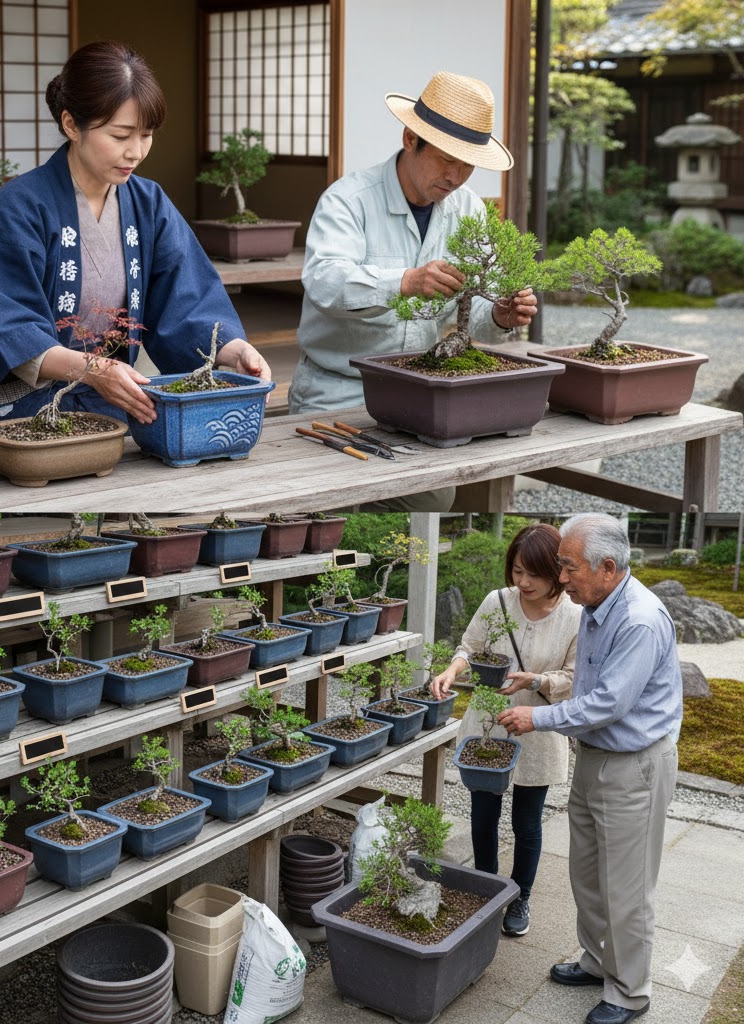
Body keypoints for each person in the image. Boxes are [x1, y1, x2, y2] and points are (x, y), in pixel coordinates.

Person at [0, 39, 271, 457]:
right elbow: (9, 324)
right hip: (14, 410)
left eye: (146, 135)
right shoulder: (18, 208)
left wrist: (232, 352)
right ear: (71, 124)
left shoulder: (148, 204)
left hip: (103, 403)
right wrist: (92, 369)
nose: (136, 151)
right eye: (120, 135)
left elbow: (188, 300)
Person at [288, 71, 538, 511]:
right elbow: (325, 281)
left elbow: (471, 313)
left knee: (433, 497)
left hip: (417, 393)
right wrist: (404, 281)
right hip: (336, 390)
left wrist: (500, 315)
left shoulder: (467, 209)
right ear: (410, 139)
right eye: (445, 160)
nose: (455, 176)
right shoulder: (348, 199)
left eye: (467, 165)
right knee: (327, 506)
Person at [498, 513, 682, 1024]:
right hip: (596, 757)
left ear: (607, 567)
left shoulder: (639, 619)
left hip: (635, 767)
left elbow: (608, 703)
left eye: (569, 567)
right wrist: (540, 683)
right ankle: (598, 960)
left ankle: (629, 992)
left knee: (627, 887)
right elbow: (585, 684)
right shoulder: (597, 605)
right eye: (560, 565)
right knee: (587, 873)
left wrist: (538, 717)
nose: (561, 578)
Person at [430, 523, 579, 937]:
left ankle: (520, 896)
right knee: (483, 813)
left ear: (556, 572)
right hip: (488, 723)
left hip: (538, 727)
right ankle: (486, 887)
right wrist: (452, 670)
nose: (524, 582)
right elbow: (469, 647)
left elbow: (573, 678)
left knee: (527, 822)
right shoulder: (498, 601)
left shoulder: (574, 616)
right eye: (517, 571)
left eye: (534, 574)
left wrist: (537, 680)